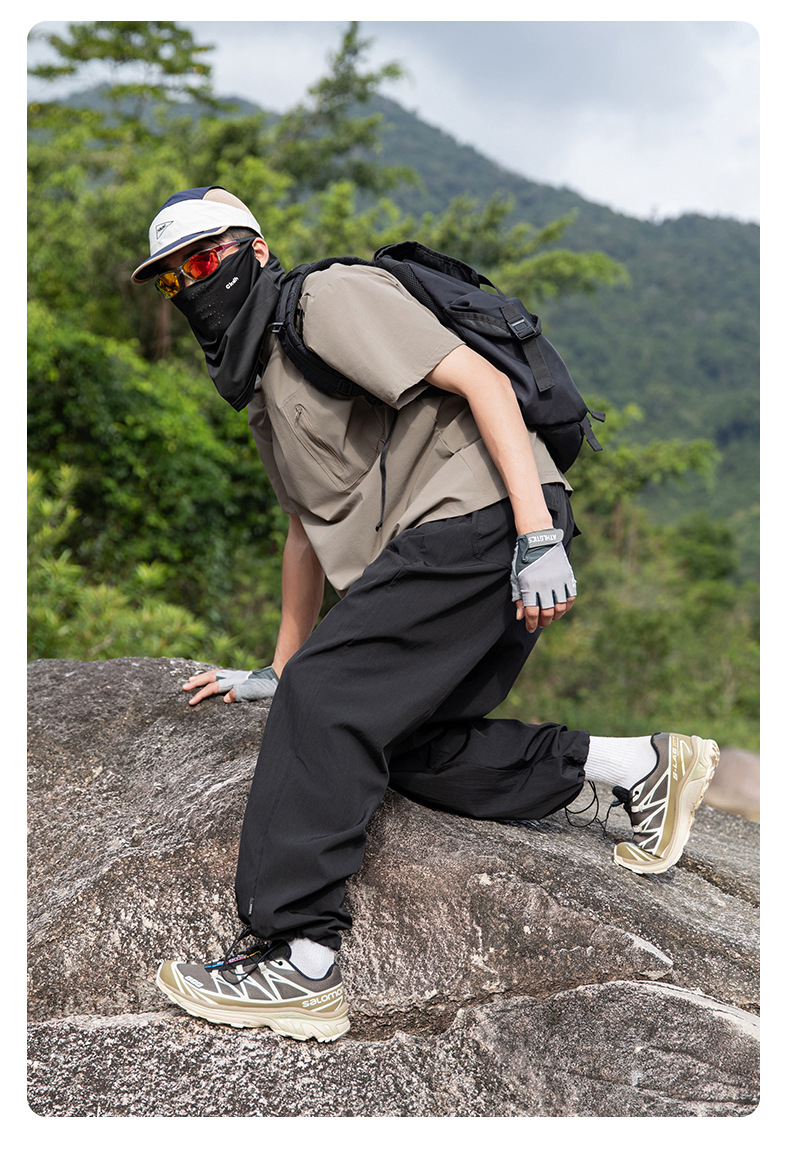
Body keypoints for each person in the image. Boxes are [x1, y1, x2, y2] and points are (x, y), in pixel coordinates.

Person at [132, 186, 719, 1043]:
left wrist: (534, 536)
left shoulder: (324, 298)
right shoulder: (263, 377)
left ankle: (299, 959)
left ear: (253, 250)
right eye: (171, 277)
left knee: (330, 701)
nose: (190, 282)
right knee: (400, 742)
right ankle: (638, 767)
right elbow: (304, 530)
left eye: (204, 257)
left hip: (481, 516)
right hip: (457, 537)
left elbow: (481, 380)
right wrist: (282, 668)